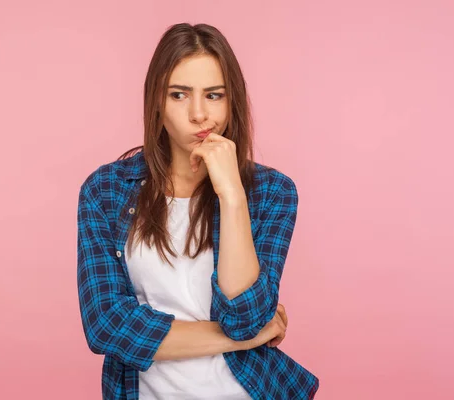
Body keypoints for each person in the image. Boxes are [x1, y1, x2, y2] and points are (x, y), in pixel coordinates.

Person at [76, 23, 319, 400]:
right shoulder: (106, 190)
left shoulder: (271, 192)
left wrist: (232, 195)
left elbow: (244, 318)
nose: (198, 114)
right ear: (157, 102)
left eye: (214, 95)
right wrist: (242, 340)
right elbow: (107, 325)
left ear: (231, 100)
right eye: (179, 95)